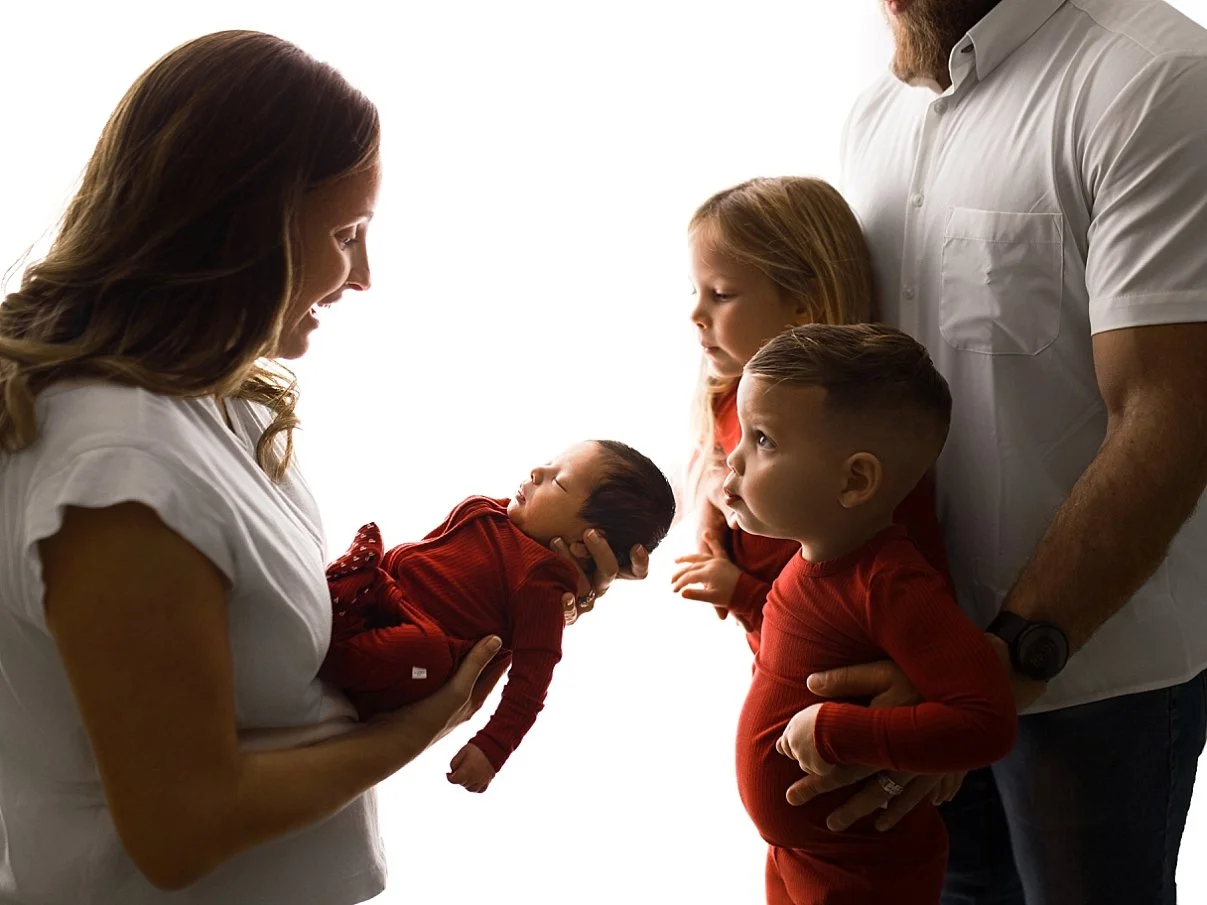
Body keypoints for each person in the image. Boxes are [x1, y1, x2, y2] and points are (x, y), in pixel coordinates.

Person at [0, 30, 644, 905]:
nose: (365, 275)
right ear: (237, 228)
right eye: (347, 232)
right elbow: (179, 829)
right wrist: (428, 723)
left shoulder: (210, 396)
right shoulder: (119, 467)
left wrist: (529, 578)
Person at [788, 2, 1207, 903]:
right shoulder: (877, 114)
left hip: (1088, 677)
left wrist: (994, 672)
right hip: (905, 663)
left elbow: (1172, 413)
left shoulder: (1154, 80)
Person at [728, 322, 1016, 905]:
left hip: (863, 871)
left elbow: (986, 720)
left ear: (855, 480)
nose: (732, 459)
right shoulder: (810, 556)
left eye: (763, 440)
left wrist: (840, 732)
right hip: (798, 852)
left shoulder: (891, 584)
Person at [671, 176, 950, 656]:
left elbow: (848, 622)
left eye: (720, 293)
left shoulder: (843, 436)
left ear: (802, 304)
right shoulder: (726, 399)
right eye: (694, 290)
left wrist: (740, 591)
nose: (696, 312)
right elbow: (711, 467)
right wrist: (712, 511)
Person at [320, 439, 675, 793]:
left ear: (586, 541)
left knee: (422, 653)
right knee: (379, 555)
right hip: (384, 595)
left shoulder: (543, 588)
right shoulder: (486, 510)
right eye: (549, 463)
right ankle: (351, 596)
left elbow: (531, 682)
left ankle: (331, 651)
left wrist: (492, 747)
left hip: (415, 660)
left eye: (559, 481)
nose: (537, 472)